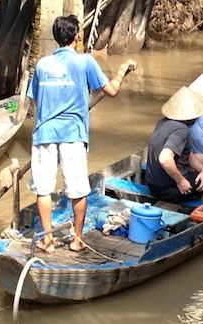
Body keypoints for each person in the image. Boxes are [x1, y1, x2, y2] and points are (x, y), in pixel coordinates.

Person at [27, 15, 136, 253]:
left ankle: (47, 240)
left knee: (43, 189)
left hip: (45, 132)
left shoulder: (42, 65)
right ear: (76, 37)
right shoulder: (85, 62)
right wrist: (121, 70)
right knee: (78, 189)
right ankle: (77, 240)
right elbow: (111, 91)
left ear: (57, 38)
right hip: (73, 134)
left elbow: (35, 101)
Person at [146, 86, 203, 203]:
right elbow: (164, 158)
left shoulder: (162, 122)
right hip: (169, 190)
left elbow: (189, 155)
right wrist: (181, 181)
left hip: (152, 185)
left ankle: (198, 189)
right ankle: (200, 207)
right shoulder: (182, 130)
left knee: (202, 158)